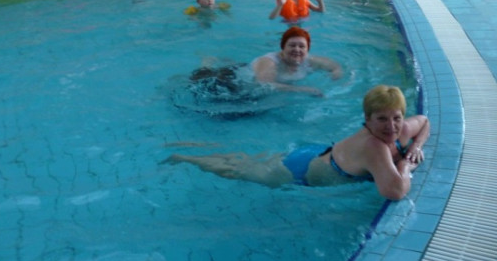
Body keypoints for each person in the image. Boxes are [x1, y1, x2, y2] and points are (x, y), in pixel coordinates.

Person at [164, 85, 430, 201]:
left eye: (396, 118)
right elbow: (396, 191)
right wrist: (406, 164)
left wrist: (416, 146)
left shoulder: (403, 128)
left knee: (246, 161)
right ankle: (186, 157)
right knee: (236, 170)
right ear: (367, 120)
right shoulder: (375, 146)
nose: (391, 126)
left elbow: (425, 122)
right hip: (300, 172)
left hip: (318, 154)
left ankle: (201, 148)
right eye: (381, 119)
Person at [251, 26, 341, 95]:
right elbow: (265, 84)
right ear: (283, 47)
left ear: (307, 49)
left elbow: (334, 66)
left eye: (302, 46)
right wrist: (304, 90)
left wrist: (336, 73)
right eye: (292, 45)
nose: (297, 49)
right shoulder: (269, 61)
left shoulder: (309, 60)